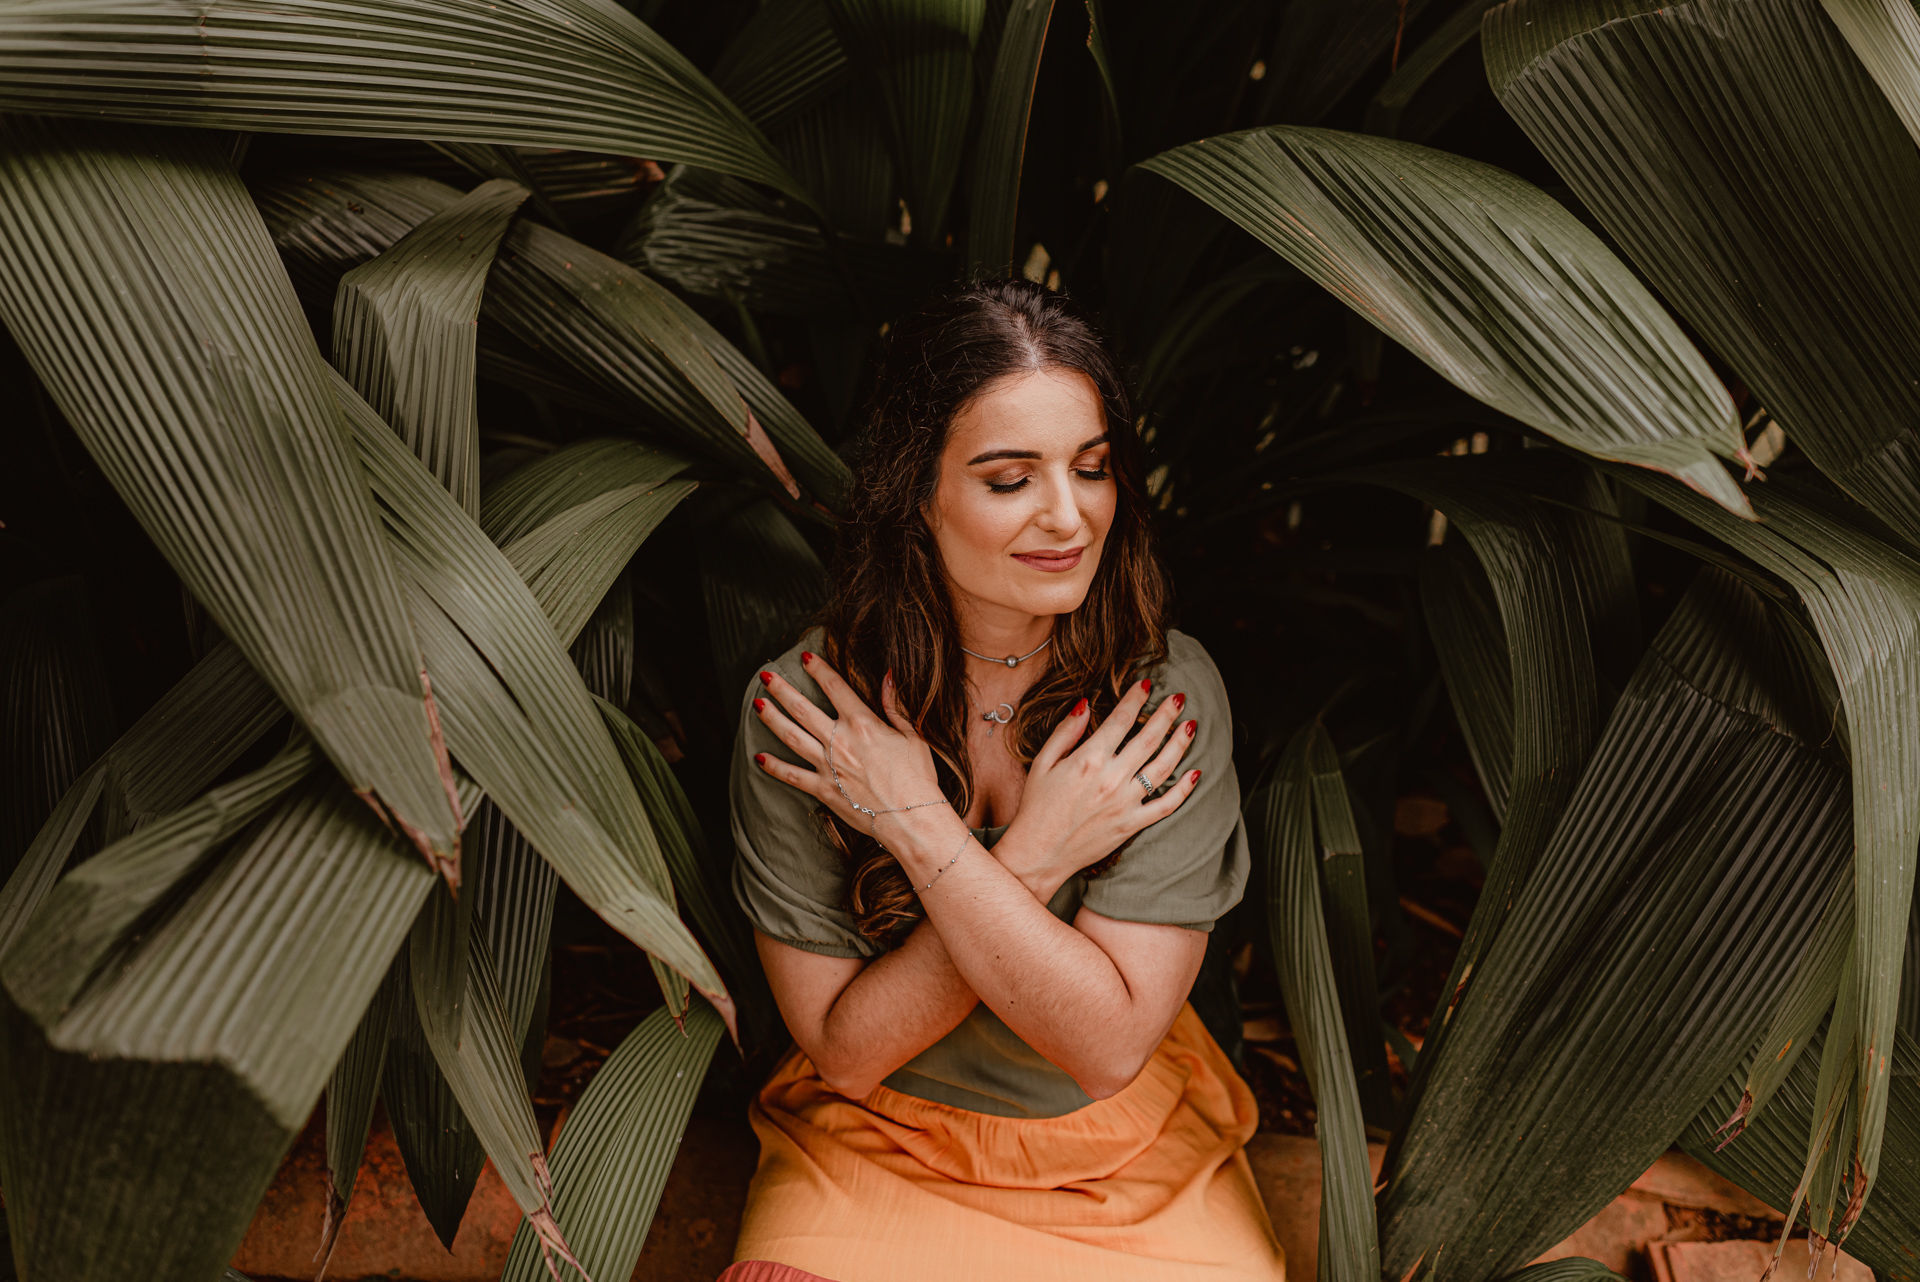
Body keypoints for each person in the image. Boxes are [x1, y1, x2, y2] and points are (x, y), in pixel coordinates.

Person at [718, 278, 1286, 1282]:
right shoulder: (813, 711)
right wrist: (1037, 852)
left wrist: (918, 828)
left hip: (1115, 1147)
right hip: (872, 1142)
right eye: (1009, 478)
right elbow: (846, 1051)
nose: (1069, 517)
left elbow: (1105, 1043)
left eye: (1093, 467)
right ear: (916, 491)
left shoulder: (1162, 695)